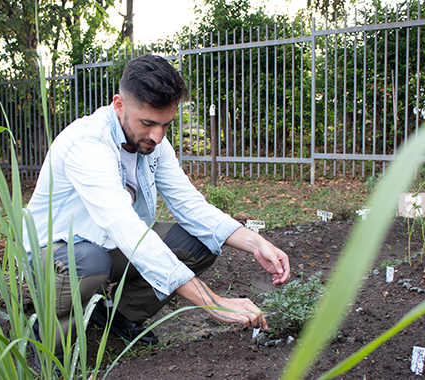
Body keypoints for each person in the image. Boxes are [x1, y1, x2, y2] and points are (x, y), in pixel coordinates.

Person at [23, 54, 290, 355]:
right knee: (89, 261)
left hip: (109, 247)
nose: (158, 136)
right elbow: (126, 229)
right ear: (119, 105)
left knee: (198, 241)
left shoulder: (154, 143)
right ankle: (47, 335)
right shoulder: (88, 144)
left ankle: (115, 317)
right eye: (148, 123)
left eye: (166, 124)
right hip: (56, 255)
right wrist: (213, 301)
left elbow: (190, 205)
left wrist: (256, 243)